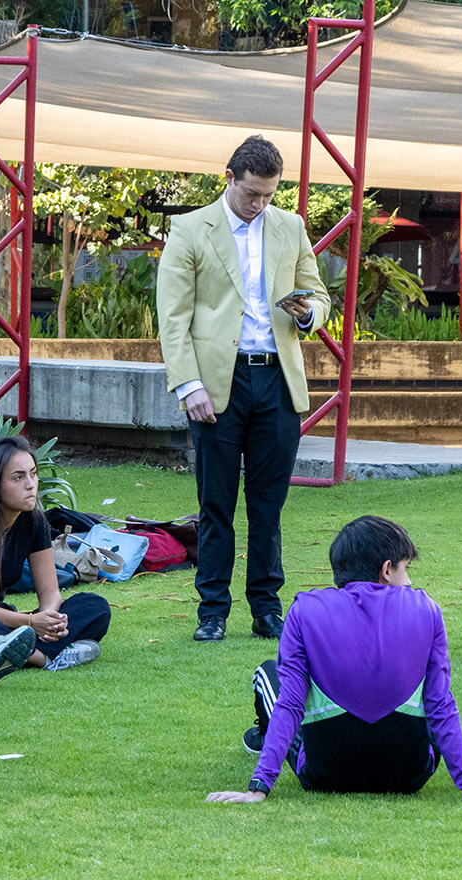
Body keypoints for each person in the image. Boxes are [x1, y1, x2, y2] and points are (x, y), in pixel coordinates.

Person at [207, 516, 462, 807]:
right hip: (411, 777)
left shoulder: (303, 610)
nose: (409, 581)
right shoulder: (426, 608)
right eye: (406, 569)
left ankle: (261, 738)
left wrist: (258, 787)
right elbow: (440, 705)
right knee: (431, 697)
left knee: (268, 675)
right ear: (387, 570)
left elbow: (291, 704)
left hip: (322, 776)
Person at [157, 135, 330, 642]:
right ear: (229, 179)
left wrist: (310, 312)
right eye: (253, 193)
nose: (260, 204)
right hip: (215, 380)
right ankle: (212, 611)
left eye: (270, 195)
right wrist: (189, 385)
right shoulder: (190, 229)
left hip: (277, 378)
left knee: (268, 506)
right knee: (215, 504)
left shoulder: (290, 226)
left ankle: (266, 609)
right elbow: (173, 318)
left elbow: (318, 292)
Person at [0, 435, 111, 672]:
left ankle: (16, 651)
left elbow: (50, 590)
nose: (31, 484)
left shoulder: (32, 520)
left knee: (94, 605)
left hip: (3, 621)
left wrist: (49, 619)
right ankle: (43, 658)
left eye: (33, 473)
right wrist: (30, 622)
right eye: (18, 477)